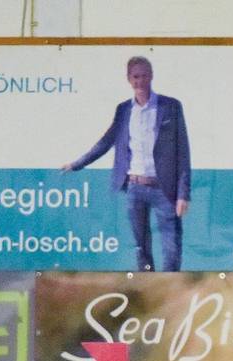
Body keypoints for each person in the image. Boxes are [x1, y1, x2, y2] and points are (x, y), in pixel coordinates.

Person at [62, 56, 191, 271]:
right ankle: (147, 290)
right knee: (141, 247)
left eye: (144, 76)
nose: (140, 81)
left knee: (171, 248)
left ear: (151, 76)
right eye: (135, 76)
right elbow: (106, 141)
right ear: (129, 79)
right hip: (135, 187)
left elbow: (183, 153)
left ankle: (171, 287)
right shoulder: (123, 110)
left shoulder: (171, 107)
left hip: (164, 189)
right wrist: (77, 164)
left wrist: (183, 194)